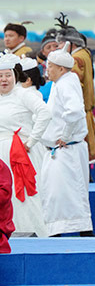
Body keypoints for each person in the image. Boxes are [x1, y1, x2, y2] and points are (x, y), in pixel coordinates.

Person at [40, 43, 93, 236]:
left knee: (68, 193)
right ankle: (57, 231)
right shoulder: (59, 83)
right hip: (61, 149)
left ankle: (82, 233)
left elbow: (75, 111)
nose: (48, 69)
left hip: (67, 149)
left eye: (50, 66)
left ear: (61, 68)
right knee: (58, 194)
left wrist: (66, 136)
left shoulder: (67, 83)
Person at [0, 54, 49, 236]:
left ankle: (30, 231)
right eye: (0, 76)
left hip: (18, 152)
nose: (4, 80)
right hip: (1, 154)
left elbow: (45, 113)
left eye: (7, 75)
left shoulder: (23, 94)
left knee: (24, 195)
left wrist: (32, 140)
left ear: (14, 75)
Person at [55, 15, 95, 164]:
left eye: (61, 43)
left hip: (79, 115)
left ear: (71, 43)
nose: (58, 47)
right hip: (85, 111)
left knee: (77, 163)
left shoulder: (75, 59)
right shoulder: (85, 54)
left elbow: (73, 87)